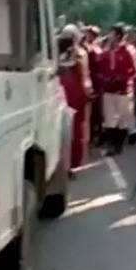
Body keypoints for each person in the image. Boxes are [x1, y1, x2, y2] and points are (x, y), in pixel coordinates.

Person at [97, 23, 136, 156]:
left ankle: (118, 146)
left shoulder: (129, 50)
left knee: (122, 119)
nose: (110, 36)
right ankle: (112, 144)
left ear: (118, 35)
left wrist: (123, 78)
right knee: (110, 118)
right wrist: (104, 78)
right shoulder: (107, 50)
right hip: (109, 89)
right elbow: (101, 66)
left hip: (123, 91)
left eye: (112, 33)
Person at [57, 31, 92, 172]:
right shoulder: (79, 54)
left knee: (68, 131)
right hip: (73, 95)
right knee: (74, 131)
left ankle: (69, 163)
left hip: (67, 96)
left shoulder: (62, 56)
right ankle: (72, 162)